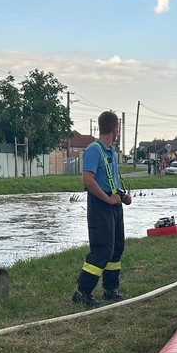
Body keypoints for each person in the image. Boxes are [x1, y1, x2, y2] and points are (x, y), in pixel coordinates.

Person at [73, 111, 132, 307]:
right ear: (115, 130)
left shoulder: (111, 152)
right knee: (102, 249)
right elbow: (87, 181)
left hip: (114, 204)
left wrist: (121, 196)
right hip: (100, 205)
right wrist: (107, 199)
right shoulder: (94, 150)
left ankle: (110, 289)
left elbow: (110, 180)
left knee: (117, 247)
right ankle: (82, 291)